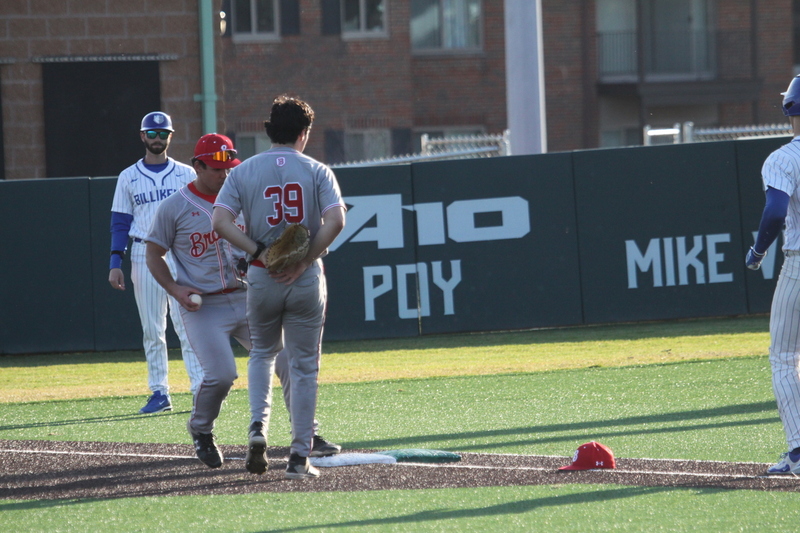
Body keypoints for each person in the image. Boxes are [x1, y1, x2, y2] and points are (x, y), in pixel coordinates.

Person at [147, 133, 342, 469]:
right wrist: (175, 289)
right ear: (197, 166)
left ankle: (307, 434)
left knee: (286, 362)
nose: (223, 174)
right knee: (222, 374)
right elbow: (153, 253)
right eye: (215, 168)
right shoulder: (174, 206)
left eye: (228, 167)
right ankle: (201, 429)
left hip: (249, 295)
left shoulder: (241, 195)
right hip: (205, 305)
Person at [212, 95, 347, 479]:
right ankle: (299, 456)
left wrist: (259, 251)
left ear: (269, 130)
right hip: (304, 279)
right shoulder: (317, 170)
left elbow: (220, 221)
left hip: (261, 275)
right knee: (304, 368)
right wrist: (304, 260)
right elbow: (336, 220)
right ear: (304, 133)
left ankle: (258, 429)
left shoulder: (243, 172)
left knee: (261, 356)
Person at [109, 111, 204, 414]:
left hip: (180, 253)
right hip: (142, 252)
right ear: (142, 136)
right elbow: (120, 222)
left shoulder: (187, 173)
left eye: (163, 134)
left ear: (170, 137)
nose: (157, 139)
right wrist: (115, 261)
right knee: (153, 328)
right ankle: (159, 392)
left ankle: (201, 388)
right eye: (152, 133)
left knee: (188, 324)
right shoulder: (129, 176)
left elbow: (201, 215)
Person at [747, 74, 800, 474]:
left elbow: (776, 213)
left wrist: (758, 250)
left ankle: (798, 452)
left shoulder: (783, 157)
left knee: (783, 357)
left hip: (799, 263)